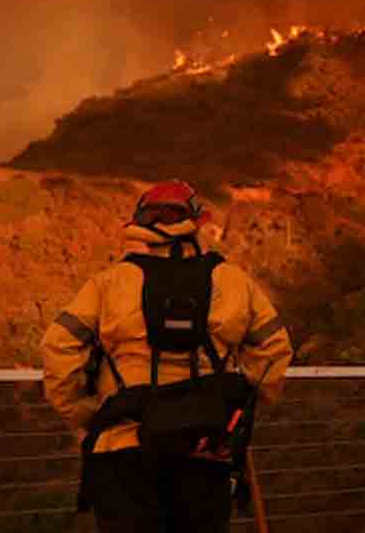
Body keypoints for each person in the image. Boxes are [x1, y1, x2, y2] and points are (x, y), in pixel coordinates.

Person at [41, 180, 292, 533]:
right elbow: (274, 349)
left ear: (140, 222)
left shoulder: (110, 283)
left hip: (124, 443)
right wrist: (240, 408)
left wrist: (84, 412)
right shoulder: (233, 281)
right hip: (205, 447)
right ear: (196, 221)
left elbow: (58, 345)